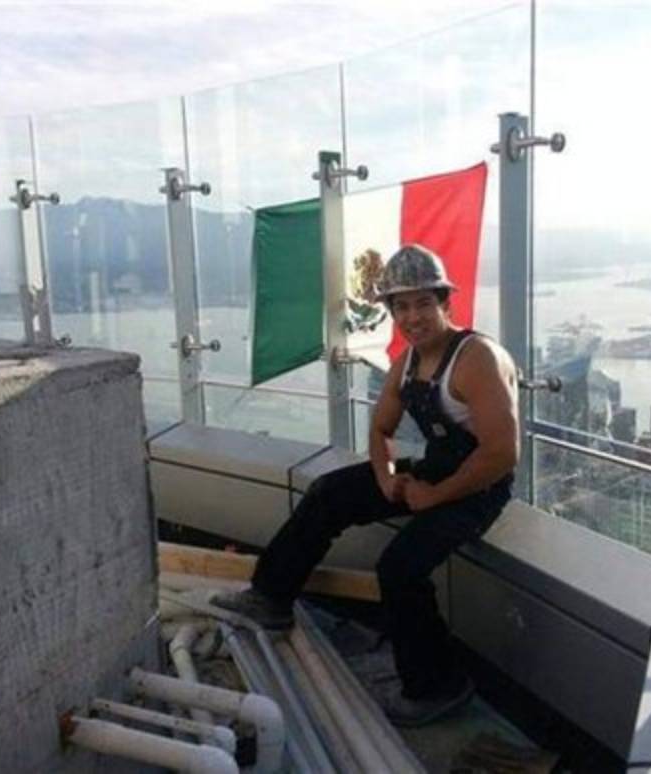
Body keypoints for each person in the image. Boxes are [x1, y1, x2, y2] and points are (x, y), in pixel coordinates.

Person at [212, 243, 519, 727]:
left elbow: (502, 454)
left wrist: (432, 496)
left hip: (479, 486)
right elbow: (380, 430)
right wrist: (389, 479)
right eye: (402, 306)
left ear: (445, 303)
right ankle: (271, 596)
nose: (413, 316)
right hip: (436, 469)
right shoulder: (410, 361)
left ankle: (438, 685)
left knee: (400, 568)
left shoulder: (476, 358)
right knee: (329, 494)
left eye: (423, 303)